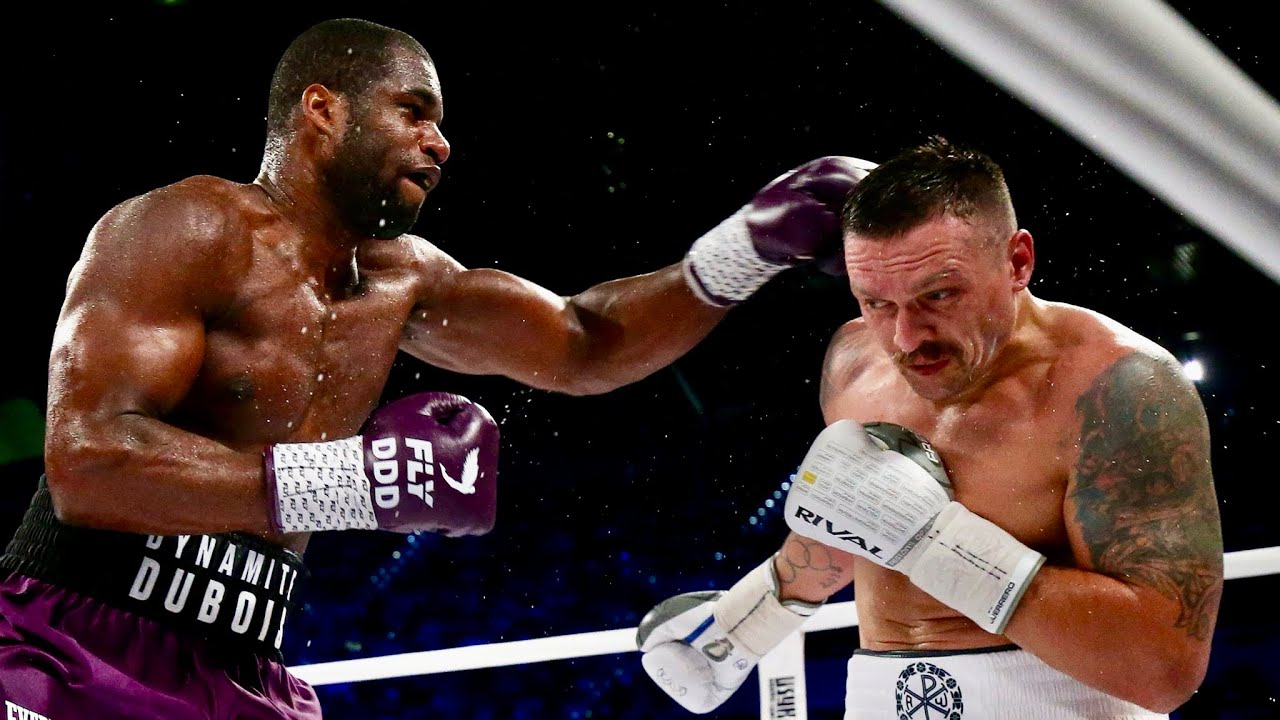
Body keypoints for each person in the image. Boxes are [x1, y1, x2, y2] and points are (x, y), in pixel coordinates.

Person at [0, 16, 873, 720]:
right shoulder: (186, 229)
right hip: (73, 642)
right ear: (322, 109)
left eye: (440, 122)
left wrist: (747, 249)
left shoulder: (405, 281)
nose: (440, 142)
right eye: (413, 112)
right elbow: (87, 464)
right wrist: (357, 485)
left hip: (244, 667)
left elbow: (583, 342)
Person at [636, 136, 1224, 719]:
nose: (906, 338)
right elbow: (865, 519)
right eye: (876, 303)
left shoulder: (1115, 389)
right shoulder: (855, 361)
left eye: (938, 295)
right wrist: (741, 625)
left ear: (1018, 262)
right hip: (875, 699)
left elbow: (1164, 670)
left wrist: (935, 542)